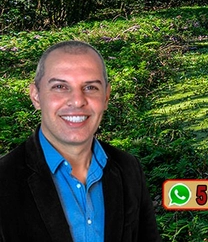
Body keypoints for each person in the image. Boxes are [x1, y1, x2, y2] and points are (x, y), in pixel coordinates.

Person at [0, 40, 161, 242]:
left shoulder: (128, 168)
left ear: (106, 97)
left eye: (91, 87)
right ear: (36, 95)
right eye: (60, 86)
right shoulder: (4, 179)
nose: (77, 101)